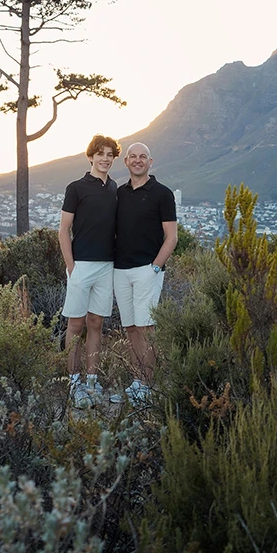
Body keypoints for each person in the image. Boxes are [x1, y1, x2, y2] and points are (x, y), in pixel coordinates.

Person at [110, 142, 178, 403]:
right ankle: (137, 381)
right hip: (120, 271)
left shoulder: (163, 194)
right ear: (126, 161)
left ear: (151, 162)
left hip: (148, 270)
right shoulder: (119, 193)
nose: (137, 160)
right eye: (133, 157)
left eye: (143, 157)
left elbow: (171, 237)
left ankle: (148, 386)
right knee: (130, 329)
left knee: (146, 328)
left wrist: (155, 268)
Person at [58, 134, 120, 408]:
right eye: (100, 153)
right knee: (75, 325)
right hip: (81, 265)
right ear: (91, 156)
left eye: (110, 154)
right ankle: (74, 384)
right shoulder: (76, 188)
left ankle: (92, 382)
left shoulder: (114, 188)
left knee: (96, 324)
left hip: (107, 266)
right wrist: (71, 266)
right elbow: (63, 230)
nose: (105, 158)